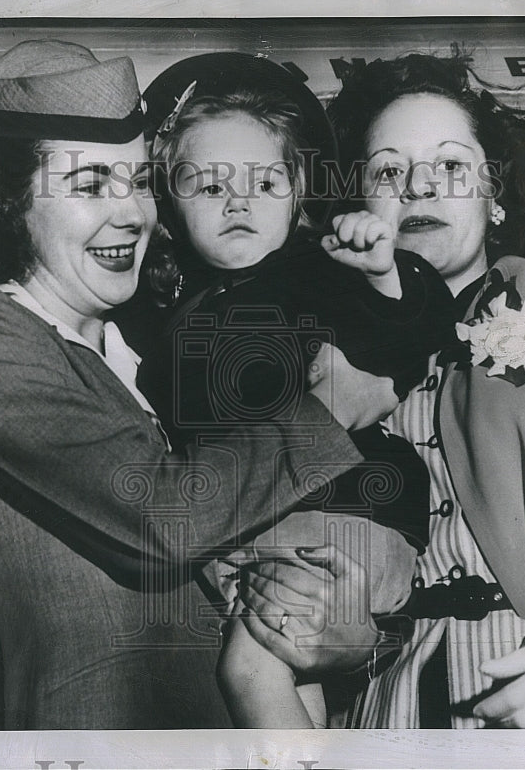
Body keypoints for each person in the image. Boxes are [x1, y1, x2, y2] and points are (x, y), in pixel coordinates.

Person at [0, 40, 398, 729]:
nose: (132, 213)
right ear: (0, 200)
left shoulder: (150, 343)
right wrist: (330, 411)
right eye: (89, 184)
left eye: (137, 182)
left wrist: (344, 637)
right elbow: (162, 518)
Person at [237, 50, 525, 729]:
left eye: (451, 166)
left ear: (495, 199)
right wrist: (346, 643)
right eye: (390, 171)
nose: (419, 188)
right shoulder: (318, 365)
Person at [115, 52, 460, 727]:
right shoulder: (174, 306)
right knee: (294, 689)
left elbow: (414, 328)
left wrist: (383, 272)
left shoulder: (315, 269)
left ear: (298, 191)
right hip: (256, 522)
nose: (240, 202)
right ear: (167, 205)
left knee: (248, 669)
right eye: (210, 188)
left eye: (265, 184)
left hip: (344, 510)